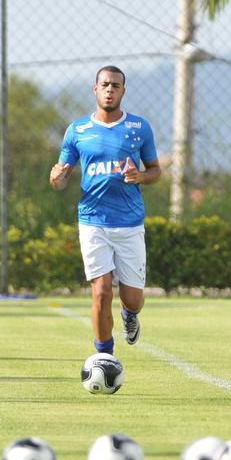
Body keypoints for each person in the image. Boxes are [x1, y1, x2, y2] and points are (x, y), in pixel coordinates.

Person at [50, 65, 160, 356]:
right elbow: (59, 177)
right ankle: (104, 357)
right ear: (95, 89)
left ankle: (129, 315)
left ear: (123, 91)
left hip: (129, 223)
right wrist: (57, 177)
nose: (110, 90)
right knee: (100, 291)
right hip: (93, 221)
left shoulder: (139, 128)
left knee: (133, 299)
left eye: (115, 85)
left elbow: (155, 171)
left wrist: (141, 176)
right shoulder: (77, 130)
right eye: (105, 85)